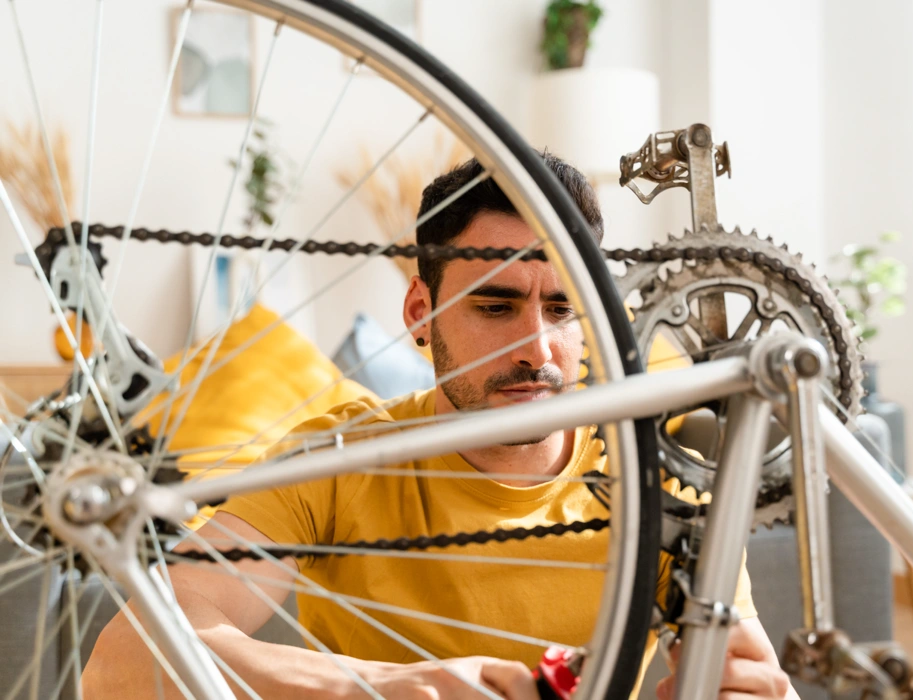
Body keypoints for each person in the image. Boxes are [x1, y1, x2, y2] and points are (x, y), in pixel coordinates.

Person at [84, 152, 796, 699]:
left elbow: (752, 676)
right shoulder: (341, 457)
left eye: (562, 309)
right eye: (496, 307)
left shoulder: (665, 477)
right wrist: (378, 687)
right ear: (419, 311)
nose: (538, 349)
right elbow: (120, 663)